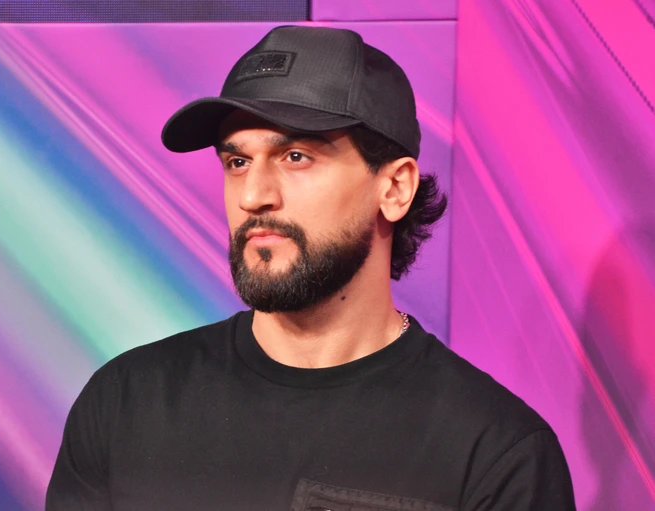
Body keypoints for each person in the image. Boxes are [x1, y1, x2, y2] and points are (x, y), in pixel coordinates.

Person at [46, 26, 576, 511]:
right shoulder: (124, 403)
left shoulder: (495, 453)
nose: (253, 196)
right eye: (237, 162)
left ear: (395, 188)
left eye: (296, 156)